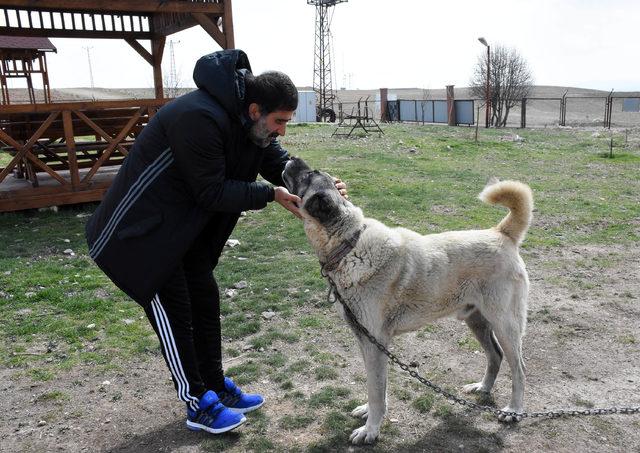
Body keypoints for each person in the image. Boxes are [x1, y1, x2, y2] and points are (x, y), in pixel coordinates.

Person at [85, 49, 347, 434]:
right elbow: (211, 191)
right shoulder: (199, 117)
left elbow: (280, 162)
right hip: (140, 237)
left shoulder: (247, 123)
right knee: (175, 316)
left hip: (179, 232)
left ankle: (215, 385)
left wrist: (322, 184)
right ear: (256, 109)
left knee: (204, 302)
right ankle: (198, 403)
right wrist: (269, 194)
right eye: (279, 121)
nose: (282, 130)